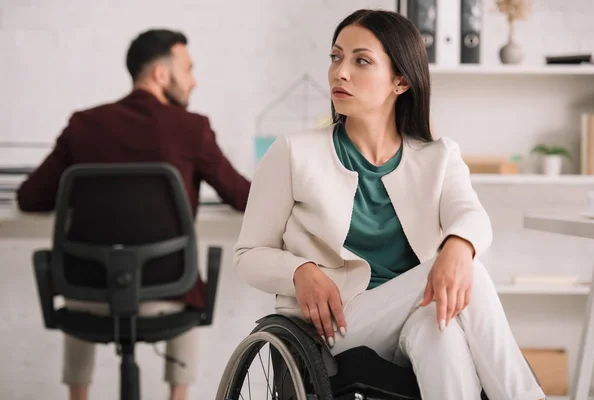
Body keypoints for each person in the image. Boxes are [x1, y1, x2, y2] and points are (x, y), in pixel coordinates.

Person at [234, 9, 545, 400]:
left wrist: (458, 247)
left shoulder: (438, 155)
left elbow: (471, 216)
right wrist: (300, 269)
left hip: (415, 316)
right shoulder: (293, 153)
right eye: (336, 57)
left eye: (360, 60)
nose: (340, 72)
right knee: (474, 277)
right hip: (337, 327)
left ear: (400, 81)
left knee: (440, 331)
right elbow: (248, 254)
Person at [17, 29, 251, 400]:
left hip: (85, 293)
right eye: (188, 69)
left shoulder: (84, 124)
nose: (195, 80)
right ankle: (178, 396)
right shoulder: (192, 129)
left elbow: (28, 198)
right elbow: (243, 197)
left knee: (84, 280)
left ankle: (78, 396)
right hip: (168, 294)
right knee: (187, 278)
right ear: (161, 74)